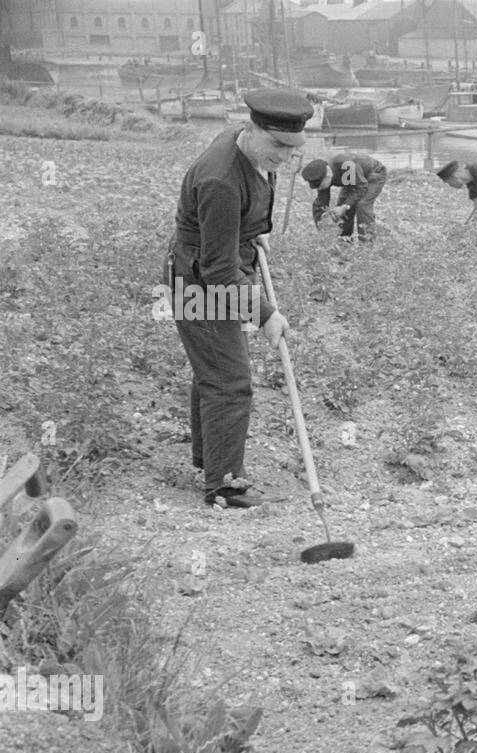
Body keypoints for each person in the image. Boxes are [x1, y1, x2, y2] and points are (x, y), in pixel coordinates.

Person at [166, 89, 313, 508]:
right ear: (252, 129)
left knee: (214, 372)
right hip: (199, 282)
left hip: (217, 266)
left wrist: (251, 230)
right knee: (229, 381)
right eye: (278, 146)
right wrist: (265, 314)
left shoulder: (249, 147)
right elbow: (217, 273)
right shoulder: (221, 180)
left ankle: (208, 460)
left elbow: (242, 209)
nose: (285, 156)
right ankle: (224, 486)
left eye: (293, 148)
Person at [301, 152, 387, 242]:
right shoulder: (321, 176)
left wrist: (345, 206)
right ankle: (345, 241)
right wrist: (324, 218)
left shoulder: (345, 165)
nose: (320, 189)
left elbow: (361, 188)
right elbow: (322, 203)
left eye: (321, 186)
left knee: (362, 205)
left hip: (373, 173)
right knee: (342, 207)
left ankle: (367, 242)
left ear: (328, 175)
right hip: (353, 179)